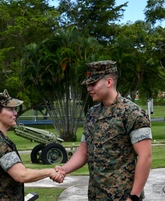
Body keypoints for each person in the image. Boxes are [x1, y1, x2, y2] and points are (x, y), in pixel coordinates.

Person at [55, 60, 153, 201]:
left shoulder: (133, 113)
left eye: (93, 84)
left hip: (122, 197)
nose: (89, 88)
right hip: (96, 195)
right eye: (88, 84)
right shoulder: (92, 114)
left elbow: (145, 157)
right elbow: (83, 151)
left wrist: (134, 196)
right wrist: (64, 170)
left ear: (109, 82)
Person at [0, 89, 63, 200]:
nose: (15, 113)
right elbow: (21, 175)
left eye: (14, 109)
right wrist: (50, 172)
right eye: (10, 109)